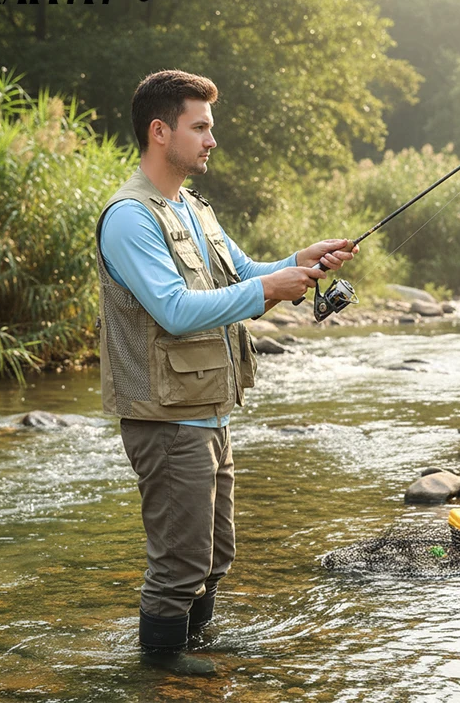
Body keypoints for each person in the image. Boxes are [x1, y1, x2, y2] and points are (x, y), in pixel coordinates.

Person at [95, 69, 357, 673]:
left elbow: (241, 272)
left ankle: (196, 645)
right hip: (164, 417)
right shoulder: (130, 218)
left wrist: (300, 263)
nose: (212, 140)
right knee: (179, 561)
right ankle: (160, 667)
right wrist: (271, 287)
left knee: (214, 553)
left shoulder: (193, 207)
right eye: (201, 127)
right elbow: (175, 310)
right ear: (161, 132)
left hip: (209, 409)